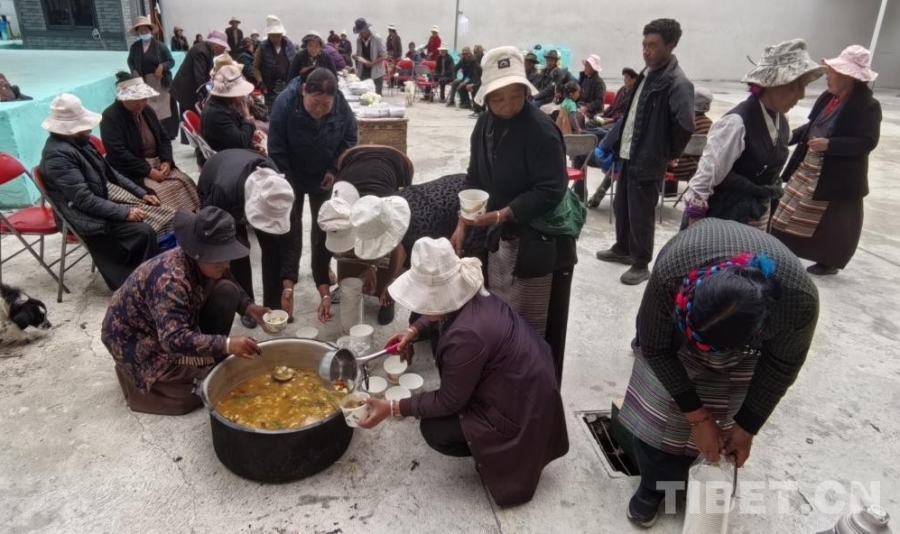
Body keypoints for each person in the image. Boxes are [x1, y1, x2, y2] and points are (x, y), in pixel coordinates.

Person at [617, 219, 819, 527]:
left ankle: (694, 480)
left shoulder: (798, 303)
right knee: (664, 411)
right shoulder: (674, 271)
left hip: (745, 338)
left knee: (723, 413)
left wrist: (747, 427)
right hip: (675, 331)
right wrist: (697, 418)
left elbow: (780, 366)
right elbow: (654, 346)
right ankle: (654, 485)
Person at [357, 237, 569, 507]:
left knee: (434, 429)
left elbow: (449, 401)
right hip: (526, 383)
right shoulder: (468, 293)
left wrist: (392, 407)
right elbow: (440, 309)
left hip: (523, 408)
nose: (421, 305)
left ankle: (497, 454)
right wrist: (413, 330)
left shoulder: (467, 336)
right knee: (441, 362)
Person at [451, 46, 579, 383]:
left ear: (526, 90)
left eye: (515, 95)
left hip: (539, 241)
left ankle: (533, 389)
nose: (507, 105)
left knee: (531, 325)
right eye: (498, 98)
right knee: (503, 312)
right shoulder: (484, 126)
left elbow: (550, 189)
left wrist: (501, 215)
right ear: (486, 98)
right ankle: (506, 381)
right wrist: (462, 223)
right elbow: (475, 177)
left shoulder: (541, 131)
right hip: (504, 237)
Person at [101, 207, 274, 416]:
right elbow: (172, 339)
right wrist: (226, 344)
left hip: (165, 325)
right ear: (199, 252)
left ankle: (206, 357)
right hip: (136, 339)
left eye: (227, 257)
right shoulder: (170, 280)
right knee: (200, 391)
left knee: (228, 290)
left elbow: (228, 277)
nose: (226, 264)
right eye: (220, 259)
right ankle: (155, 379)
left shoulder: (205, 262)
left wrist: (249, 307)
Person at [682, 39, 823, 230]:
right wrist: (696, 230)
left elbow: (777, 143)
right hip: (724, 218)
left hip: (756, 217)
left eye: (804, 86)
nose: (801, 95)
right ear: (771, 84)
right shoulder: (736, 124)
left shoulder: (781, 119)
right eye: (794, 86)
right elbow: (702, 181)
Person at [595, 19, 695, 286]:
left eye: (653, 45)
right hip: (630, 154)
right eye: (644, 45)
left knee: (641, 212)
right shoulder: (647, 74)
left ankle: (640, 263)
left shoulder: (677, 82)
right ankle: (623, 248)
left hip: (650, 159)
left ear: (671, 45)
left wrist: (667, 152)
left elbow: (686, 125)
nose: (646, 51)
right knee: (622, 205)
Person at [771, 45, 882, 276]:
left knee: (832, 221)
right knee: (790, 208)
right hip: (809, 164)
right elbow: (812, 126)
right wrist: (786, 137)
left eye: (832, 72)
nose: (828, 76)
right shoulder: (828, 97)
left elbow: (867, 142)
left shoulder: (868, 106)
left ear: (848, 76)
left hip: (839, 173)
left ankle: (828, 260)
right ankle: (780, 247)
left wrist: (831, 144)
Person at [329, 173, 488, 326]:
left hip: (470, 205)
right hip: (448, 194)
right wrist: (372, 267)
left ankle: (466, 315)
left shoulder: (418, 233)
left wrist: (392, 287)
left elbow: (421, 270)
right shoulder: (390, 209)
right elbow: (388, 243)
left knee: (460, 271)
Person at [39, 94, 161, 290]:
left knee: (159, 212)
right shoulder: (58, 156)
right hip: (80, 215)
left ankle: (150, 271)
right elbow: (84, 200)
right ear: (71, 130)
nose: (89, 129)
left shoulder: (80, 142)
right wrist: (124, 212)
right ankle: (138, 283)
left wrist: (141, 193)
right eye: (84, 126)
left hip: (95, 202)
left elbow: (110, 172)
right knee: (144, 231)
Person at [269, 68, 358, 307]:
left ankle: (321, 269)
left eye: (325, 105)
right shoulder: (284, 103)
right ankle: (289, 276)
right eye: (314, 103)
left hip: (323, 174)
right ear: (303, 91)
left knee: (324, 223)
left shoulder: (340, 104)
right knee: (290, 225)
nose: (319, 110)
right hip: (291, 172)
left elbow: (350, 139)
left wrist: (333, 169)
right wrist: (287, 182)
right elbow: (276, 148)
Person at [198, 150, 299, 327]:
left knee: (273, 245)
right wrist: (247, 306)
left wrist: (288, 286)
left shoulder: (281, 193)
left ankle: (273, 304)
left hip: (243, 171)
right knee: (237, 250)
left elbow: (291, 242)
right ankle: (247, 306)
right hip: (217, 178)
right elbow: (221, 248)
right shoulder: (223, 191)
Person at [101, 73, 200, 214]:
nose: (141, 104)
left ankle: (192, 220)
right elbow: (117, 152)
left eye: (143, 99)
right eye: (136, 100)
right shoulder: (110, 117)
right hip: (131, 170)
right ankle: (174, 223)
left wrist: (166, 161)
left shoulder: (147, 110)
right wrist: (148, 171)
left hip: (156, 164)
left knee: (184, 181)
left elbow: (164, 138)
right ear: (124, 99)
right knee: (160, 193)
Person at [585, 68, 639, 208]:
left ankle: (584, 196)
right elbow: (613, 107)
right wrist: (603, 115)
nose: (625, 80)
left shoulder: (634, 100)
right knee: (591, 126)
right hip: (621, 155)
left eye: (628, 77)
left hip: (619, 154)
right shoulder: (623, 90)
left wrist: (609, 121)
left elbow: (607, 144)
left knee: (584, 156)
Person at [127, 16, 178, 139]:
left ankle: (164, 134)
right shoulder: (135, 47)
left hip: (160, 82)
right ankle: (152, 133)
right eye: (141, 30)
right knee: (148, 109)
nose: (143, 32)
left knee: (163, 111)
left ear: (150, 30)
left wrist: (162, 66)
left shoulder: (160, 46)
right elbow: (130, 61)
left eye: (146, 29)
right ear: (138, 32)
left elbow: (171, 61)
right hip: (144, 83)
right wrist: (134, 71)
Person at [201, 65, 264, 153]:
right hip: (227, 156)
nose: (243, 96)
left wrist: (252, 143)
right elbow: (240, 142)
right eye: (241, 92)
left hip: (229, 152)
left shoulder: (221, 105)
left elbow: (234, 136)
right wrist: (247, 118)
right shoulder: (218, 113)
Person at [171, 30, 228, 124]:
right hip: (186, 90)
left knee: (189, 118)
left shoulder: (206, 49)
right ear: (217, 45)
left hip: (188, 88)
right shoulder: (201, 52)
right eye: (223, 48)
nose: (223, 52)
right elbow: (200, 78)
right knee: (189, 120)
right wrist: (208, 97)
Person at [667, 86, 714, 189]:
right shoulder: (710, 124)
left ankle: (668, 192)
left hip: (678, 168)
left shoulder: (685, 123)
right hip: (699, 167)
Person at [253, 16, 295, 109]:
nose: (276, 38)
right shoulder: (262, 47)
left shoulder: (289, 45)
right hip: (270, 87)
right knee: (272, 110)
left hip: (286, 85)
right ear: (269, 35)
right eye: (273, 36)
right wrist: (260, 82)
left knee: (286, 109)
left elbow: (295, 65)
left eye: (278, 35)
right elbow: (255, 67)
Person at [352, 17, 387, 95]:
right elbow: (359, 52)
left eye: (362, 32)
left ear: (366, 30)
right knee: (364, 94)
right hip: (363, 71)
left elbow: (384, 55)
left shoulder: (377, 39)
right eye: (359, 32)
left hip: (376, 72)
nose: (360, 34)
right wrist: (355, 56)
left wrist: (372, 63)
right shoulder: (359, 40)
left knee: (376, 95)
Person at [576, 54, 607, 126]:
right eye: (585, 65)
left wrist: (587, 107)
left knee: (577, 117)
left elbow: (599, 100)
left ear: (593, 68)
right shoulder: (583, 79)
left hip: (592, 112)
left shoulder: (599, 83)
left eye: (587, 66)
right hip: (579, 106)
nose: (585, 67)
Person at [460, 45, 485, 116]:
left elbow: (482, 77)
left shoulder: (481, 61)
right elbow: (472, 74)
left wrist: (472, 84)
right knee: (465, 87)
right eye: (476, 52)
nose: (477, 54)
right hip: (474, 80)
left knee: (476, 90)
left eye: (478, 52)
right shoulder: (475, 62)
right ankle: (476, 109)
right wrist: (468, 82)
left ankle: (479, 111)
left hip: (482, 82)